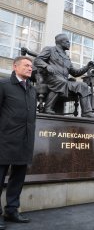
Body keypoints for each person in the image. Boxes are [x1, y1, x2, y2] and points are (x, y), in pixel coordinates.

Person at [0, 56, 37, 228]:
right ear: (15, 67)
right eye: (26, 65)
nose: (30, 68)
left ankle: (12, 210)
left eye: (31, 66)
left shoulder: (32, 89)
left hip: (25, 142)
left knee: (17, 180)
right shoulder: (4, 85)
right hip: (4, 142)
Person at [33, 33, 94, 118]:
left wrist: (87, 67)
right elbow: (38, 60)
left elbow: (75, 72)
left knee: (83, 85)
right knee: (61, 81)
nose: (69, 44)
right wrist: (47, 66)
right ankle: (47, 108)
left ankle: (86, 112)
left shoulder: (66, 57)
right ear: (61, 42)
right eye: (67, 42)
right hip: (51, 79)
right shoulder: (50, 50)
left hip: (64, 81)